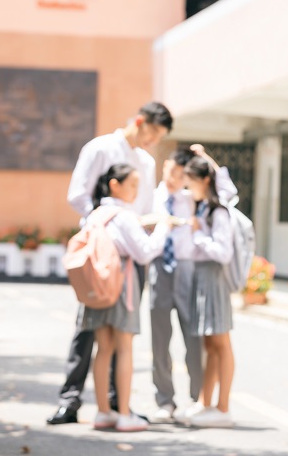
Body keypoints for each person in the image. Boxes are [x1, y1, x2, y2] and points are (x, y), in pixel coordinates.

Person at [48, 101, 173, 425]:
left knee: (120, 334)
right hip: (100, 252)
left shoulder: (145, 161)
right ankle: (71, 400)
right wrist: (108, 224)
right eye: (154, 132)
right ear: (140, 121)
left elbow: (141, 208)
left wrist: (137, 225)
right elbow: (78, 195)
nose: (153, 141)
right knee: (88, 329)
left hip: (131, 256)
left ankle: (119, 405)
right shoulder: (100, 148)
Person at [149, 145, 238, 424]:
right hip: (160, 268)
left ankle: (201, 399)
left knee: (199, 340)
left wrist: (206, 157)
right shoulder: (153, 198)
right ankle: (166, 401)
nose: (177, 179)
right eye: (172, 172)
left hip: (192, 269)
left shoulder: (197, 200)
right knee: (161, 340)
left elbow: (227, 191)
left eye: (183, 174)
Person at [82, 164, 172, 432]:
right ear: (115, 184)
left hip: (97, 284)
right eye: (132, 185)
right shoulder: (124, 216)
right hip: (122, 283)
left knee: (103, 348)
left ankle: (102, 412)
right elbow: (145, 252)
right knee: (124, 348)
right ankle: (123, 413)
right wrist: (163, 227)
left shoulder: (96, 215)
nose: (136, 191)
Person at [182, 156, 237, 428]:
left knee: (221, 343)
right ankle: (206, 404)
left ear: (204, 180)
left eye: (190, 180)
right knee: (210, 345)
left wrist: (198, 235)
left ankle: (223, 408)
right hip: (204, 277)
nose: (187, 185)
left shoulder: (218, 211)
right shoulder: (205, 208)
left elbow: (223, 252)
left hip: (214, 278)